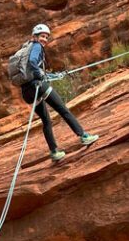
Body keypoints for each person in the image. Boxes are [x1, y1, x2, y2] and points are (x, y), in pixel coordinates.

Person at [20, 23, 98, 163]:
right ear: (35, 36)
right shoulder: (36, 47)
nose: (44, 39)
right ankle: (83, 136)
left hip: (27, 92)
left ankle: (54, 152)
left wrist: (52, 76)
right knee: (63, 110)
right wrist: (39, 75)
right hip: (39, 86)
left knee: (46, 120)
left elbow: (32, 70)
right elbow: (33, 63)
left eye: (46, 37)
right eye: (42, 36)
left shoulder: (25, 48)